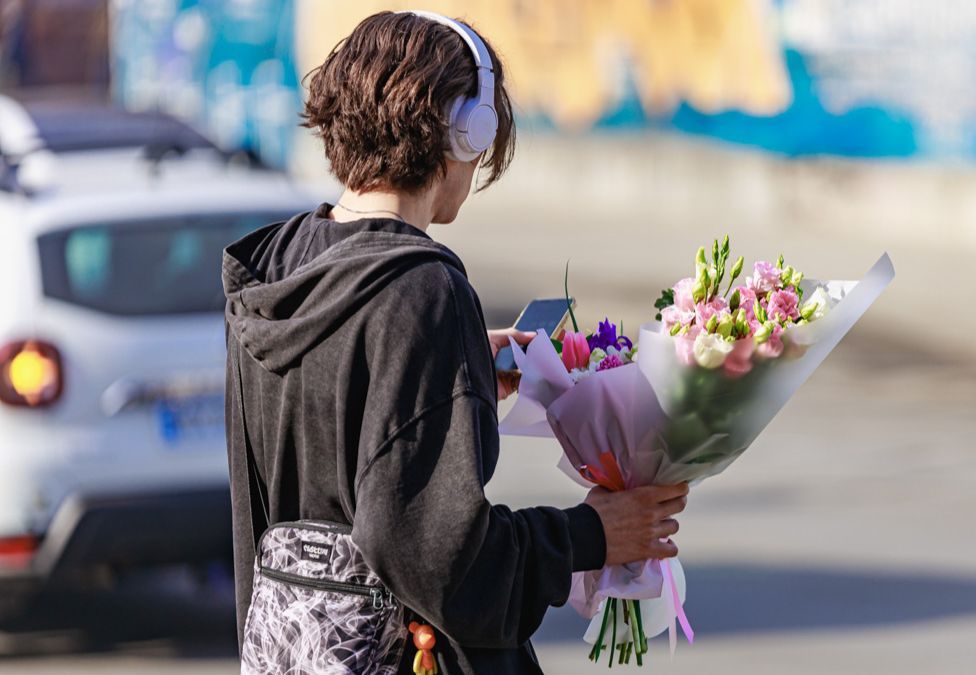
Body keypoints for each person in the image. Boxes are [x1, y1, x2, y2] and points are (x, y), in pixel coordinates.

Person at [221, 11, 688, 675]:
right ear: (464, 131)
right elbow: (432, 553)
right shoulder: (422, 288)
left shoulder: (279, 265)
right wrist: (589, 534)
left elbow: (326, 425)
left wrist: (458, 361)